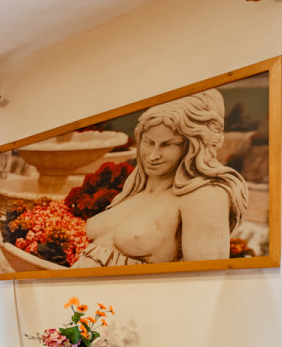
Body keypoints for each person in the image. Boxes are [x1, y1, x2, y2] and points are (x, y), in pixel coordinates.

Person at [75, 88, 248, 266]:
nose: (152, 156)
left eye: (168, 145)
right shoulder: (135, 189)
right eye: (149, 142)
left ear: (192, 146)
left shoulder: (205, 196)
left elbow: (207, 276)